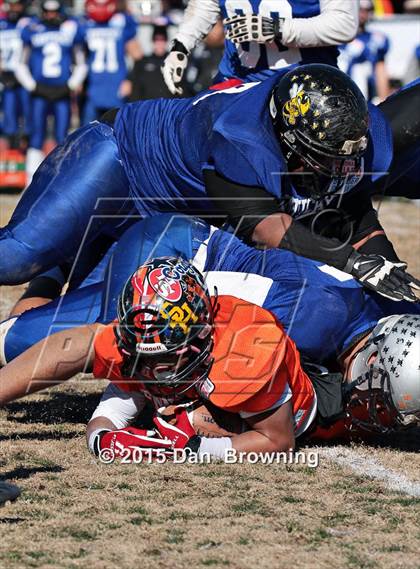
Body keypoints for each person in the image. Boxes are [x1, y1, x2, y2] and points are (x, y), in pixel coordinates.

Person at [0, 65, 419, 303]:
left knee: (103, 316)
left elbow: (354, 215)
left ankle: (57, 268)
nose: (341, 165)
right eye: (327, 155)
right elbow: (267, 228)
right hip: (119, 160)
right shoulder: (240, 135)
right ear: (289, 138)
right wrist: (353, 262)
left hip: (169, 211)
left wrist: (388, 273)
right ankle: (57, 257)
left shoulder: (339, 125)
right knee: (17, 259)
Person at [0, 255, 418, 458]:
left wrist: (190, 448)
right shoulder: (149, 331)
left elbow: (277, 439)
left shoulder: (249, 345)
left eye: (170, 356)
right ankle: (53, 265)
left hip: (282, 387)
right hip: (180, 254)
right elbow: (88, 355)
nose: (157, 370)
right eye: (147, 356)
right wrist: (102, 428)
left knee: (199, 418)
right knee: (26, 339)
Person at [162, 0, 360, 94]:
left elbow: (345, 24)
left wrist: (280, 29)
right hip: (238, 81)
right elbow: (206, 4)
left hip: (305, 85)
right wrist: (181, 45)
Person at [14, 0, 87, 182]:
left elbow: (81, 63)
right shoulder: (31, 29)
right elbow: (19, 63)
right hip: (40, 91)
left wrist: (70, 85)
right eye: (47, 11)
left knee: (63, 135)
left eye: (54, 11)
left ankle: (61, 180)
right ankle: (31, 181)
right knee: (36, 134)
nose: (50, 15)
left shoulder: (71, 30)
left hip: (61, 91)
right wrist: (32, 85)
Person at [80, 0, 142, 124]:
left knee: (117, 134)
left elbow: (137, 56)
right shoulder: (85, 23)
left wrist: (130, 79)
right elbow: (78, 56)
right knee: (87, 136)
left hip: (116, 88)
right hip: (93, 89)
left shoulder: (122, 20)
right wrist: (79, 81)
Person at [338, 0, 391, 103]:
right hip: (340, 94)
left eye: (367, 10)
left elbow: (380, 70)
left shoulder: (377, 39)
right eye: (359, 9)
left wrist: (385, 100)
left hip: (367, 96)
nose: (363, 13)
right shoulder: (335, 37)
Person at [0, 0, 31, 148]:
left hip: (25, 77)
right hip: (6, 77)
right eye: (11, 4)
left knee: (28, 118)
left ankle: (26, 152)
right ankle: (10, 154)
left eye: (17, 4)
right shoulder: (2, 24)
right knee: (9, 117)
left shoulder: (29, 24)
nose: (14, 8)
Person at [128, 25, 175, 101]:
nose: (159, 43)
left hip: (168, 108)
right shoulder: (142, 62)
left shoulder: (175, 62)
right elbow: (135, 89)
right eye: (156, 40)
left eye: (162, 40)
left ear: (166, 41)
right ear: (153, 41)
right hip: (148, 108)